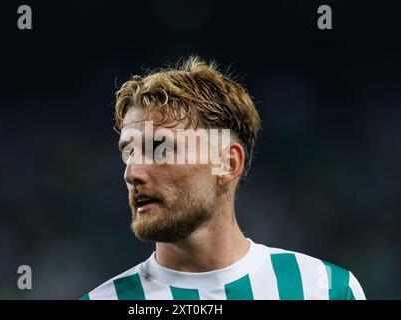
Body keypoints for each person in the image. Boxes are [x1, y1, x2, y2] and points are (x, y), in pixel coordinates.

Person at [81, 56, 365, 300]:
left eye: (161, 148)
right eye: (129, 152)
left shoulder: (325, 290)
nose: (132, 172)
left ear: (228, 163)